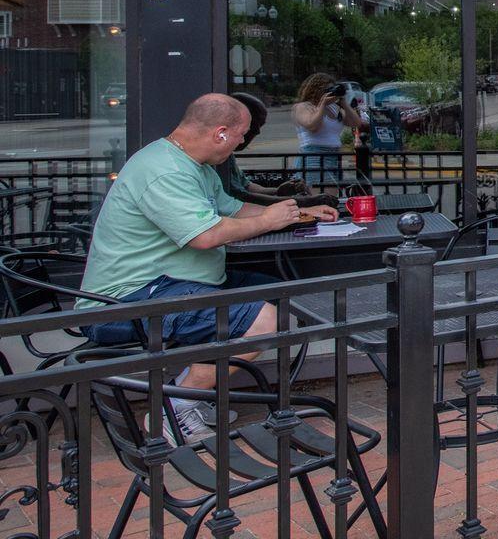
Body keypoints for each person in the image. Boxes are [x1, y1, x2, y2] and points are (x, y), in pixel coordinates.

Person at [80, 93, 333, 442]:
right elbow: (206, 235)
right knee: (264, 320)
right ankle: (176, 408)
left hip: (181, 283)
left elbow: (234, 209)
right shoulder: (163, 171)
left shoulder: (195, 165)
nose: (242, 143)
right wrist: (269, 221)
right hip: (127, 300)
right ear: (221, 133)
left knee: (281, 296)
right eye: (240, 135)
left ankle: (191, 394)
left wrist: (299, 214)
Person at [216, 93, 302, 206]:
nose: (257, 131)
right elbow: (240, 196)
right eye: (254, 124)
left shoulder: (228, 156)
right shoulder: (216, 159)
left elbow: (247, 186)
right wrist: (301, 202)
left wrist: (278, 191)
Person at [292, 72, 366, 183]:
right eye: (328, 90)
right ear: (316, 90)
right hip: (314, 157)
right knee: (323, 192)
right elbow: (312, 126)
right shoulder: (303, 107)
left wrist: (343, 102)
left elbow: (355, 123)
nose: (331, 93)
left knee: (333, 193)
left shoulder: (333, 108)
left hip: (334, 156)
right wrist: (322, 104)